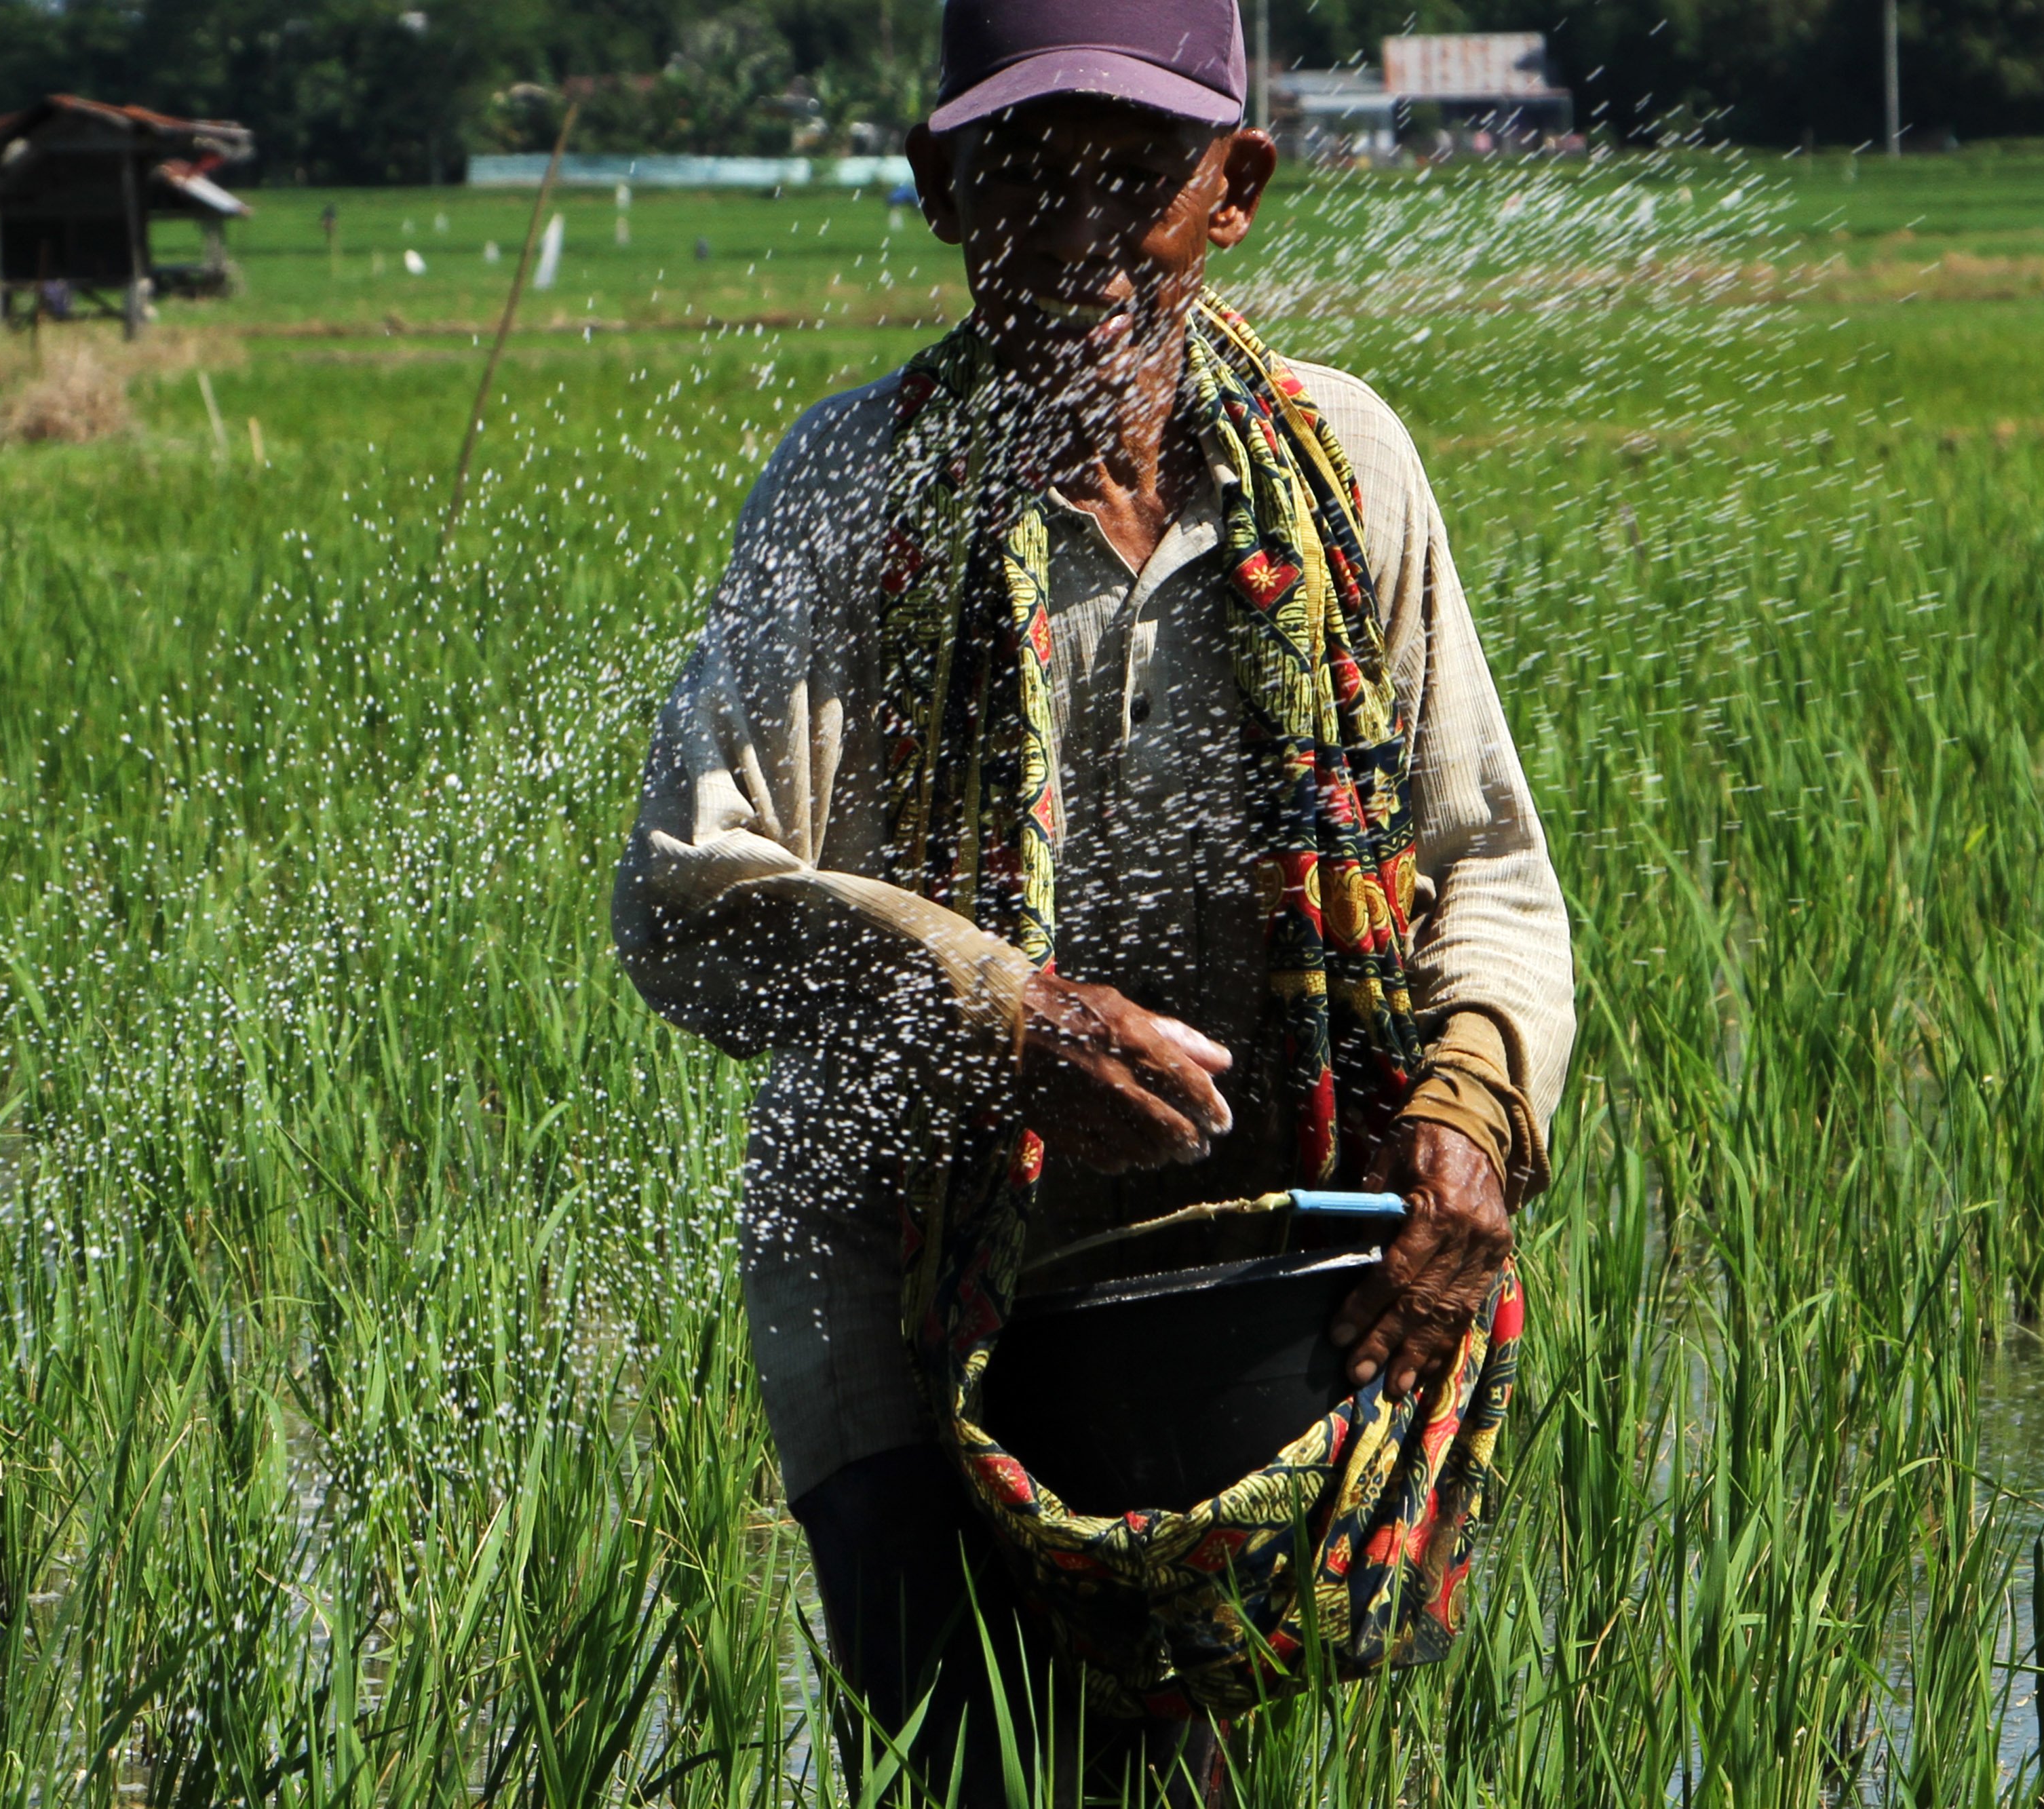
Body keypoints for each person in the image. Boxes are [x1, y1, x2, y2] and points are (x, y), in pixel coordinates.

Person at [612, 0, 1574, 1800]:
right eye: (1020, 179)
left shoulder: (1343, 470)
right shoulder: (856, 493)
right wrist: (1002, 1009)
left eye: (1136, 178)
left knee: (1190, 1769)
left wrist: (1467, 1108)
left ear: (1238, 190)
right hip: (898, 1292)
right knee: (986, 1765)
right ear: (938, 193)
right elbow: (687, 897)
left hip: (1233, 1287)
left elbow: (1488, 873)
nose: (1075, 240)